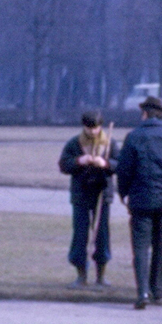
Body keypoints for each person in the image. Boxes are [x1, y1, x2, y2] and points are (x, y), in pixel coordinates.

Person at [114, 96, 162, 309]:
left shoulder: (134, 136)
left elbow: (124, 168)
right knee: (159, 245)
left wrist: (123, 193)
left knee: (141, 248)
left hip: (140, 198)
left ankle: (142, 291)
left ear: (145, 113)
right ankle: (158, 289)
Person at [58, 111, 121, 288]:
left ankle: (101, 276)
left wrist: (106, 164)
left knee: (102, 235)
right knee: (80, 234)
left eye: (96, 128)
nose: (93, 132)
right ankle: (81, 275)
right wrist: (79, 160)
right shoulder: (74, 143)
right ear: (83, 126)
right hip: (81, 194)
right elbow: (63, 164)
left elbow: (120, 164)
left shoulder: (110, 143)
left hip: (102, 194)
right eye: (89, 128)